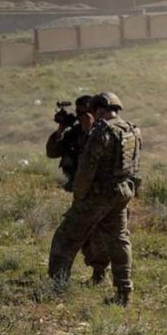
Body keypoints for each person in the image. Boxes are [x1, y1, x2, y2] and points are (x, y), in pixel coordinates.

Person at [49, 92, 140, 306]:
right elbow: (134, 166)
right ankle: (124, 292)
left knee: (66, 238)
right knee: (119, 240)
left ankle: (57, 287)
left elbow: (86, 170)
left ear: (99, 108)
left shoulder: (101, 132)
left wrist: (79, 197)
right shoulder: (131, 130)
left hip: (98, 195)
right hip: (121, 193)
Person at [45, 95, 110, 284]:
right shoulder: (74, 133)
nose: (82, 116)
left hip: (99, 193)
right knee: (84, 236)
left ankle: (99, 274)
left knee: (98, 236)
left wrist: (90, 129)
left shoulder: (102, 133)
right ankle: (63, 277)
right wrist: (60, 130)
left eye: (86, 113)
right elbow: (51, 152)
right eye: (79, 112)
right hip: (82, 193)